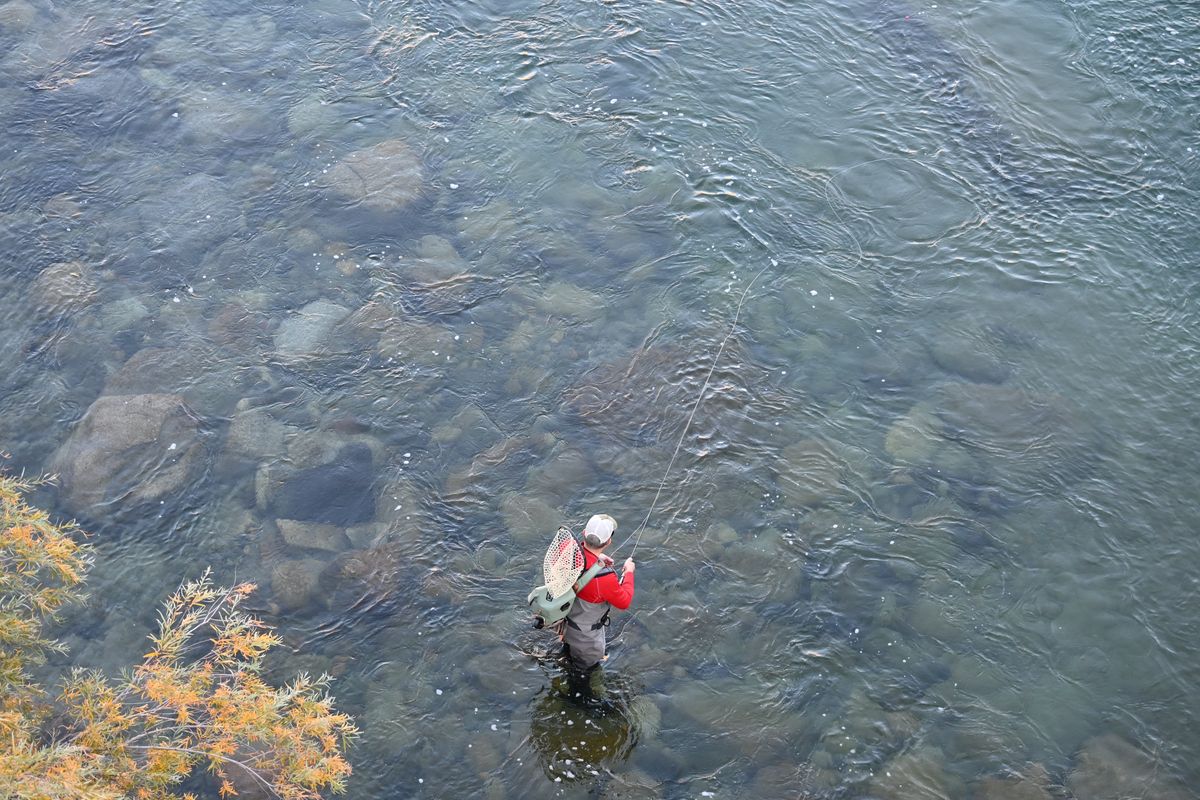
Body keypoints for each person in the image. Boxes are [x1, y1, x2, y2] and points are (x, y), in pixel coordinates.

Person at [560, 514, 635, 672]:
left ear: (584, 533)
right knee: (585, 673)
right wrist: (629, 573)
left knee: (567, 657)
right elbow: (624, 601)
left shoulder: (567, 548)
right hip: (585, 640)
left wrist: (596, 559)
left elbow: (581, 558)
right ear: (608, 542)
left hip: (564, 624)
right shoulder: (605, 578)